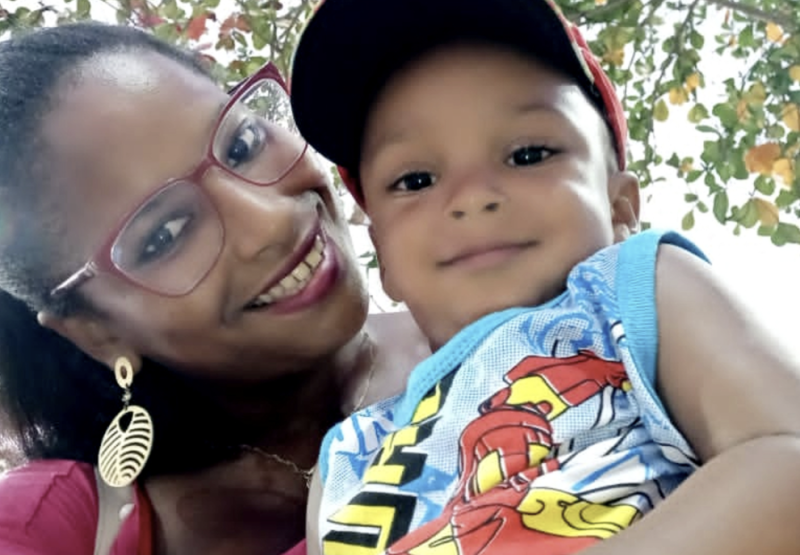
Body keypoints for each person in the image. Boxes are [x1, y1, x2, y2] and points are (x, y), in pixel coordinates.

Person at [290, 1, 800, 554]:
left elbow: (783, 454)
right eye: (416, 180)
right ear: (383, 259)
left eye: (529, 154)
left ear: (621, 207)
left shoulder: (631, 291)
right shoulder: (348, 455)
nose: (472, 197)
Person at [0, 22, 430, 555]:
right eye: (165, 235)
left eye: (242, 144)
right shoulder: (53, 523)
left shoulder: (529, 330)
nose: (270, 222)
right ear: (94, 330)